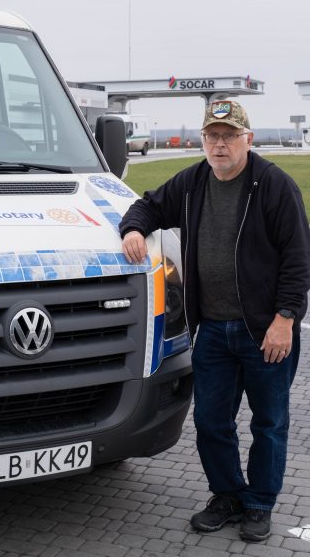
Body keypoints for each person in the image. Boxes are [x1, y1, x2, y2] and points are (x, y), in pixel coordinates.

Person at [119, 100, 310, 542]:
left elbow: (299, 262)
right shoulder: (193, 182)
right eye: (212, 136)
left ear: (248, 139)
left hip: (264, 331)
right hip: (212, 332)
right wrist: (132, 229)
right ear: (203, 140)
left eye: (229, 136)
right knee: (210, 421)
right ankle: (227, 495)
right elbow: (147, 206)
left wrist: (285, 320)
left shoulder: (274, 186)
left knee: (269, 422)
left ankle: (259, 503)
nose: (219, 144)